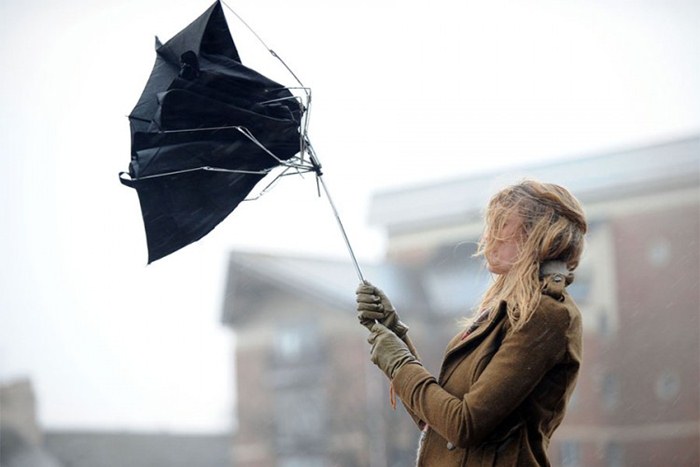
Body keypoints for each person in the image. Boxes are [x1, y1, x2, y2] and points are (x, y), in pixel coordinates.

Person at [356, 179, 587, 466]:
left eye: (502, 223)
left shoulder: (547, 315)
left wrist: (401, 364)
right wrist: (395, 335)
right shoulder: (503, 312)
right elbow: (439, 423)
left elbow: (464, 425)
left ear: (536, 233)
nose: (488, 235)